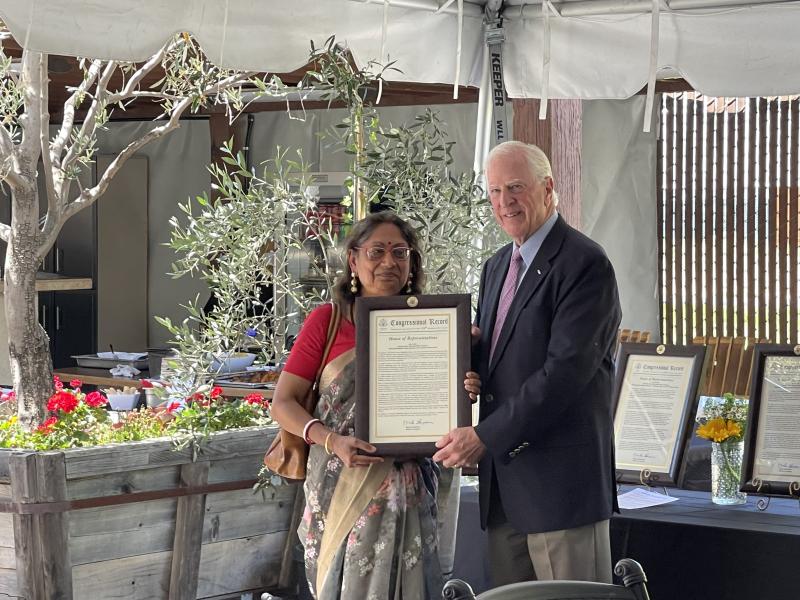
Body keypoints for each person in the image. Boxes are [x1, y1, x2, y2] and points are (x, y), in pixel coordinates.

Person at [433, 141, 621, 586]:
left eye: (515, 187)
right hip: (506, 491)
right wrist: (466, 359)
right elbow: (504, 357)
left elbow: (564, 374)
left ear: (548, 188)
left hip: (562, 489)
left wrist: (483, 436)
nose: (504, 202)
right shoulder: (497, 265)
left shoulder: (584, 263)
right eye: (494, 191)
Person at [271, 211, 481, 599]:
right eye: (377, 251)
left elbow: (443, 400)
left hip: (411, 484)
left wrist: (464, 383)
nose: (389, 262)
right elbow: (282, 403)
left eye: (400, 252)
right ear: (353, 260)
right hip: (342, 483)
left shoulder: (435, 324)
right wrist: (331, 440)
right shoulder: (328, 321)